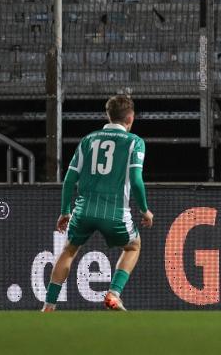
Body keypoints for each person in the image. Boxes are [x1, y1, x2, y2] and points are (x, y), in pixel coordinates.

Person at [43, 95, 153, 312]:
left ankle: (48, 306)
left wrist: (65, 211)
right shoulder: (134, 142)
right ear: (130, 118)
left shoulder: (89, 140)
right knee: (133, 246)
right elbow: (137, 181)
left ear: (108, 115)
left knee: (69, 251)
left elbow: (69, 180)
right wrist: (145, 210)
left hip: (83, 210)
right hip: (115, 213)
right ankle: (113, 293)